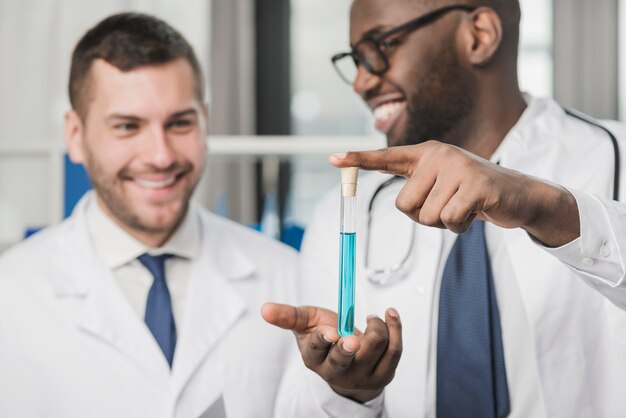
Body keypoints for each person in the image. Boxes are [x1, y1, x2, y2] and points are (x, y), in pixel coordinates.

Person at [262, 0, 626, 417]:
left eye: (381, 45)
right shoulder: (346, 211)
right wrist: (349, 395)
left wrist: (545, 208)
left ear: (479, 35)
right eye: (356, 59)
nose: (361, 82)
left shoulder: (615, 156)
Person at [0, 13, 298, 417]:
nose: (161, 156)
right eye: (127, 126)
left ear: (204, 122)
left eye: (179, 123)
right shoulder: (12, 294)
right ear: (75, 136)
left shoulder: (287, 276)